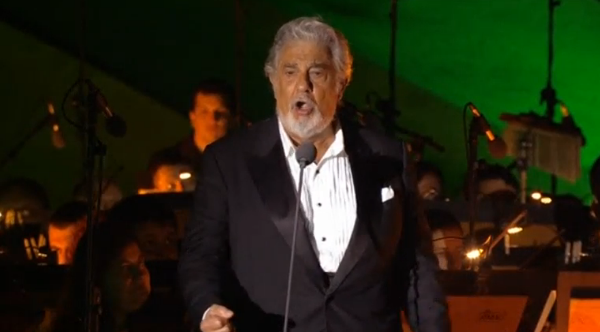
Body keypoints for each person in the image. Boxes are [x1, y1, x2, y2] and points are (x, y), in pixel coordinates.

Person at [179, 16, 449, 332]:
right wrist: (207, 308)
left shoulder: (388, 156)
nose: (302, 86)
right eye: (290, 72)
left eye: (317, 73)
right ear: (272, 80)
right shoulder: (229, 160)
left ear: (341, 83)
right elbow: (200, 255)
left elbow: (417, 265)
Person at [148, 78, 236, 174]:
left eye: (220, 112)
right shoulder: (165, 163)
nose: (212, 119)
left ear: (232, 119)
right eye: (204, 112)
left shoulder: (243, 163)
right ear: (192, 117)